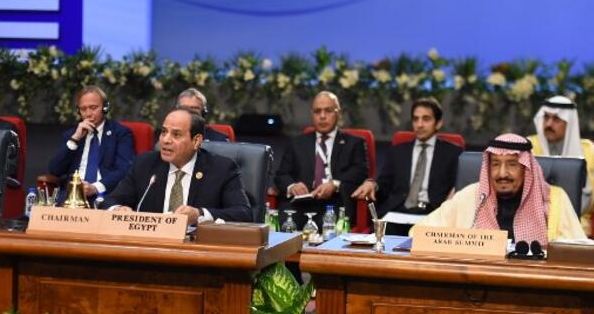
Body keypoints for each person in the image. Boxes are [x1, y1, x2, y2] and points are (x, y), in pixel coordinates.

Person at [417, 134, 585, 244]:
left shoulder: (554, 199)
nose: (502, 173)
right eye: (495, 164)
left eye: (512, 164)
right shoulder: (471, 196)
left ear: (526, 168)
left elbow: (577, 252)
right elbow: (419, 233)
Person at [102, 109, 252, 224]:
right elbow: (109, 202)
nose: (166, 140)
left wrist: (199, 215)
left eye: (176, 135)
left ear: (196, 141)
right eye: (164, 132)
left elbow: (243, 214)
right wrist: (118, 209)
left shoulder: (221, 169)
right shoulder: (144, 164)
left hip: (198, 253)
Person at [351, 97, 462, 234]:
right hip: (398, 212)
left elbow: (459, 186)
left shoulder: (453, 153)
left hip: (432, 214)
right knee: (382, 235)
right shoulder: (397, 151)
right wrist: (372, 184)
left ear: (438, 123)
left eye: (426, 119)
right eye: (415, 119)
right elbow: (384, 182)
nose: (419, 124)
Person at [274, 91, 368, 229]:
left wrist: (335, 184)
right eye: (317, 111)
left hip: (335, 204)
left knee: (332, 230)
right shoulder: (297, 143)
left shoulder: (354, 143)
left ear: (339, 113)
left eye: (328, 111)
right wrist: (292, 186)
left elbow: (360, 171)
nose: (322, 116)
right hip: (301, 204)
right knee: (284, 228)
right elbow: (281, 175)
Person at [47, 85, 134, 201]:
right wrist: (75, 139)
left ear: (105, 108)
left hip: (104, 194)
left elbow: (124, 169)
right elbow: (54, 170)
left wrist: (94, 188)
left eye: (93, 107)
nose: (88, 113)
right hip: (72, 195)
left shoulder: (120, 133)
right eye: (83, 109)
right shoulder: (72, 135)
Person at [529, 96, 594, 236]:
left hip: (580, 231)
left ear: (570, 123)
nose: (548, 124)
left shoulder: (589, 150)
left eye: (556, 119)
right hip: (534, 228)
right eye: (546, 117)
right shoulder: (529, 147)